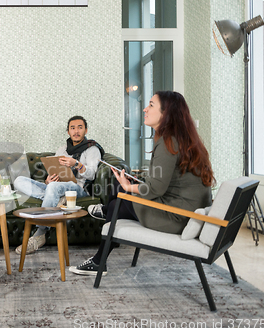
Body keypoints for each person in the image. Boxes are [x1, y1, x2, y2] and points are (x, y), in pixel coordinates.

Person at [70, 91, 215, 276]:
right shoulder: (183, 139)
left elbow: (156, 188)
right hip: (185, 212)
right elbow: (166, 182)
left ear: (167, 113)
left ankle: (99, 259)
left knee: (117, 203)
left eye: (151, 105)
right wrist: (132, 184)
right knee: (117, 187)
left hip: (176, 217)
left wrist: (130, 187)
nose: (145, 109)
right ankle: (106, 217)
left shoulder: (168, 142)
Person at [13, 116, 105, 255]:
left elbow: (91, 174)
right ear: (68, 131)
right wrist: (48, 181)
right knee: (19, 180)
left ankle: (40, 234)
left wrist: (76, 164)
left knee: (54, 188)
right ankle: (55, 197)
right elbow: (54, 170)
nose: (76, 131)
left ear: (86, 130)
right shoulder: (62, 149)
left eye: (80, 127)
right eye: (72, 128)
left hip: (79, 189)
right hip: (58, 186)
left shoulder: (92, 149)